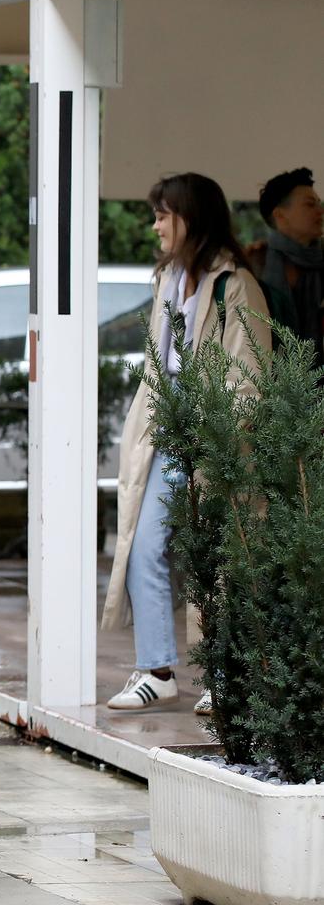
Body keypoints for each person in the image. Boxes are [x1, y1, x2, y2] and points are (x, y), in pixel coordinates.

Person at [103, 173, 270, 716]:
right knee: (142, 548)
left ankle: (225, 676)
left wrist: (210, 437)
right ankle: (157, 670)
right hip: (166, 432)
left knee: (219, 560)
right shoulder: (168, 280)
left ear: (190, 219)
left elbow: (249, 377)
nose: (155, 225)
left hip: (218, 439)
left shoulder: (235, 284)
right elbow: (159, 366)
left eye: (162, 215)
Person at [250, 168, 323, 367]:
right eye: (310, 204)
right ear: (280, 215)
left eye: (318, 203)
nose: (320, 210)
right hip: (269, 380)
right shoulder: (254, 263)